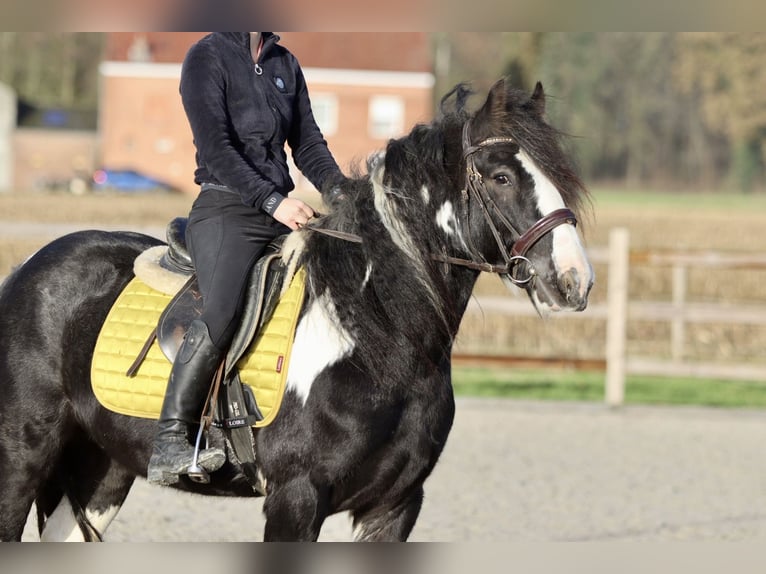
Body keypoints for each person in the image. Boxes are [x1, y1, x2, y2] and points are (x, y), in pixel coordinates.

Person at [147, 32, 345, 486]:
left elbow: (308, 144)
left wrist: (344, 193)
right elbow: (216, 146)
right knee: (221, 309)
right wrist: (273, 201)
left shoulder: (284, 63)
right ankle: (171, 436)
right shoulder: (207, 56)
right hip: (226, 208)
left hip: (279, 210)